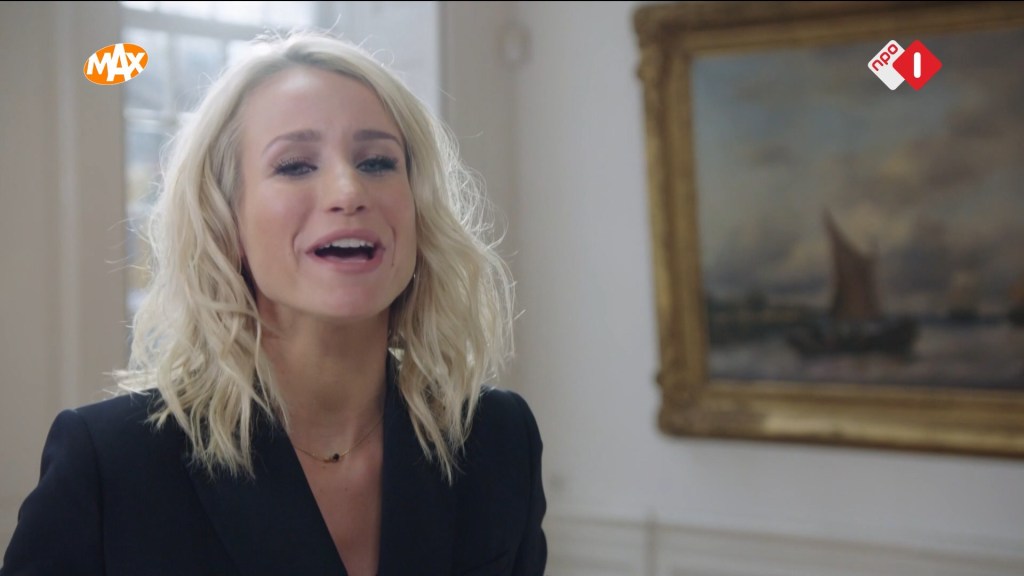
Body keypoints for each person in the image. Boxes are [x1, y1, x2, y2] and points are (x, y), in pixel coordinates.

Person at [1, 31, 546, 576]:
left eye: (378, 162)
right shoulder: (110, 462)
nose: (348, 191)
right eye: (295, 165)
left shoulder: (498, 441)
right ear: (226, 220)